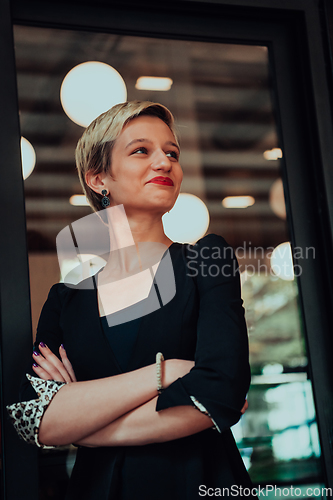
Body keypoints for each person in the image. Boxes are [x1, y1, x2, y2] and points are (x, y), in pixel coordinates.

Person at [7, 101, 256, 499]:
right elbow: (33, 419)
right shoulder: (65, 299)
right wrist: (167, 372)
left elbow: (220, 392)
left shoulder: (207, 260)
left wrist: (85, 426)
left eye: (172, 153)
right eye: (141, 150)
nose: (164, 162)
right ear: (98, 178)